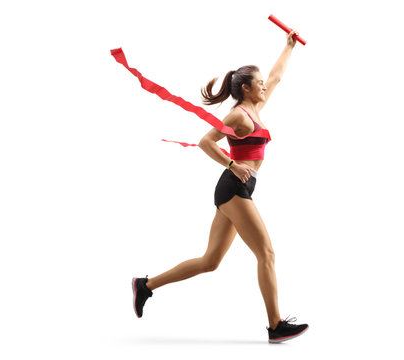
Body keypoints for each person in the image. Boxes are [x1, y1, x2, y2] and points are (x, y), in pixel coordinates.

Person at [132, 30, 308, 343]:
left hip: (239, 189)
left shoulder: (256, 108)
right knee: (266, 253)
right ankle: (275, 325)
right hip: (233, 189)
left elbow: (277, 76)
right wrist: (231, 163)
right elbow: (205, 141)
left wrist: (288, 46)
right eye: (259, 83)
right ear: (246, 88)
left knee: (210, 261)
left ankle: (145, 285)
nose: (264, 85)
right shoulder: (238, 116)